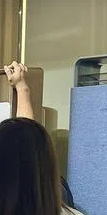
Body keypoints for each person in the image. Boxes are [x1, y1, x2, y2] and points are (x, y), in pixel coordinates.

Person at [5, 61, 74, 207]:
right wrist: (22, 88)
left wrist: (22, 88)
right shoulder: (56, 189)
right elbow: (26, 139)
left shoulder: (15, 191)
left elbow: (25, 140)